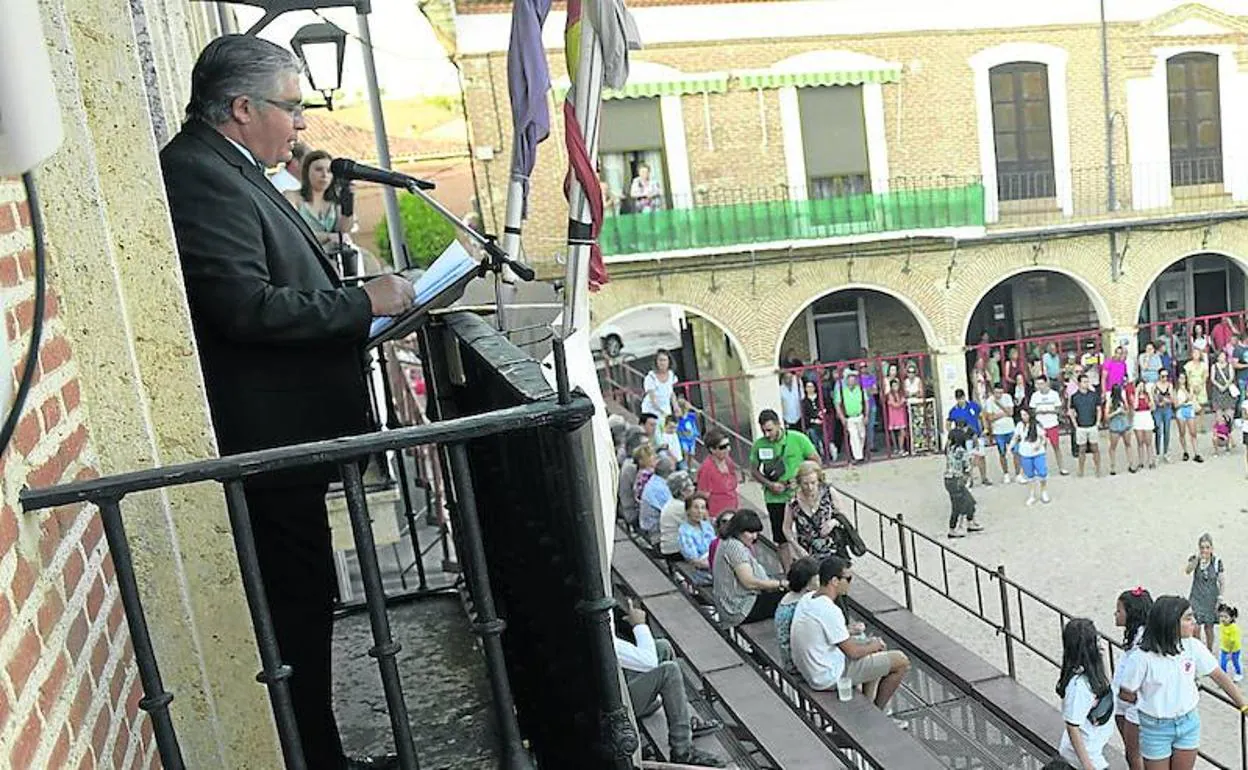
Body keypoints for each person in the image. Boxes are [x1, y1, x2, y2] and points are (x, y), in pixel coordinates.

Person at [160, 35, 417, 770]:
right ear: (242, 108)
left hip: (288, 445)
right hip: (270, 448)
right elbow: (245, 307)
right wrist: (360, 302)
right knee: (295, 618)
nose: (301, 125)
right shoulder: (198, 173)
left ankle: (321, 753)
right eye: (291, 106)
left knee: (307, 608)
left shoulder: (225, 168)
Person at [1117, 596, 1248, 769]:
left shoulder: (1192, 646)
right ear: (1170, 622)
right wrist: (1152, 701)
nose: (1194, 621)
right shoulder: (1141, 658)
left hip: (1188, 722)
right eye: (1187, 618)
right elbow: (1126, 692)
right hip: (1155, 727)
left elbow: (1219, 675)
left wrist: (1244, 706)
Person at [789, 556, 912, 711]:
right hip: (828, 676)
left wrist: (869, 645)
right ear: (834, 581)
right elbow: (853, 653)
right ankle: (879, 712)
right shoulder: (829, 610)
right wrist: (874, 645)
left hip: (812, 668)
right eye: (848, 578)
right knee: (901, 661)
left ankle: (869, 708)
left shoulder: (807, 599)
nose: (850, 583)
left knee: (872, 649)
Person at [613, 599, 725, 767]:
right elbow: (648, 661)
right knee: (669, 671)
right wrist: (639, 625)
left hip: (620, 682)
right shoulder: (594, 626)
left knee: (662, 646)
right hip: (617, 705)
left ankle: (684, 724)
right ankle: (682, 751)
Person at [749, 409, 819, 569]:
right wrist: (769, 484)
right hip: (775, 498)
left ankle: (812, 569)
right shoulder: (759, 445)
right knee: (781, 538)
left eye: (770, 430)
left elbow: (816, 461)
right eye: (763, 431)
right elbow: (753, 470)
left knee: (807, 534)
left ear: (779, 425)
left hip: (799, 495)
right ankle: (789, 574)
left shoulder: (798, 438)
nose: (767, 434)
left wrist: (800, 480)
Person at [1056, 618, 1114, 770]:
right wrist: (1088, 766)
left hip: (1092, 750)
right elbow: (1072, 726)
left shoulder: (1093, 675)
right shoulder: (1079, 686)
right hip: (1084, 757)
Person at [711, 510, 786, 627]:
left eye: (756, 532)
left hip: (736, 604)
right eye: (750, 532)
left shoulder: (728, 541)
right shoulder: (734, 547)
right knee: (790, 598)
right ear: (737, 529)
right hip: (740, 609)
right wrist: (781, 584)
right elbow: (749, 582)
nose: (754, 536)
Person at [781, 461, 857, 561]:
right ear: (799, 482)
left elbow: (843, 515)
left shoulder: (829, 492)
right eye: (805, 484)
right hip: (807, 553)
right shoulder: (793, 501)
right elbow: (786, 528)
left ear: (819, 480)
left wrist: (833, 522)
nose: (810, 487)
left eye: (813, 483)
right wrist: (796, 547)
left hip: (834, 551)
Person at [1113, 587, 1154, 770]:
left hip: (1132, 704)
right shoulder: (1136, 635)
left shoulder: (1143, 641)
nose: (1115, 614)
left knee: (1135, 753)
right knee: (1131, 753)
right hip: (1124, 702)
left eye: (1119, 610)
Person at [775, 557, 820, 673]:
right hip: (797, 663)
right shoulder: (802, 605)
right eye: (817, 579)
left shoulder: (789, 598)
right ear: (808, 584)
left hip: (789, 658)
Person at [1185, 533, 1224, 651]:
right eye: (1202, 547)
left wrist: (1220, 598)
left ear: (1212, 548)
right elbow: (1187, 571)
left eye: (1207, 547)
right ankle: (1199, 650)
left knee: (1209, 627)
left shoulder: (1217, 562)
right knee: (1195, 626)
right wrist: (1195, 561)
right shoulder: (1195, 559)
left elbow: (1222, 581)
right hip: (1196, 596)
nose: (1205, 550)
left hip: (1211, 597)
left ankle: (1209, 650)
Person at [944, 425, 982, 538]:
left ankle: (969, 523)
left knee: (968, 501)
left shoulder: (949, 449)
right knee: (959, 505)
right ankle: (953, 528)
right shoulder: (961, 451)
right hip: (957, 480)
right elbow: (967, 467)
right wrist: (973, 462)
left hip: (949, 479)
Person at [947, 389, 990, 486]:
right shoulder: (954, 411)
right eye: (958, 399)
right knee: (967, 459)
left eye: (961, 398)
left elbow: (982, 415)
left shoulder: (973, 406)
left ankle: (984, 477)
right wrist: (952, 433)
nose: (960, 400)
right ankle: (969, 480)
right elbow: (948, 422)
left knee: (981, 456)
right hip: (964, 438)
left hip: (977, 434)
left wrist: (985, 427)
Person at [1030, 376, 1070, 476]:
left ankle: (1062, 467)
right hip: (1040, 425)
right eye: (1037, 384)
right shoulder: (1035, 396)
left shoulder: (1054, 394)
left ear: (1046, 383)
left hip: (1052, 424)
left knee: (1056, 446)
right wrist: (1038, 412)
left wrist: (1048, 411)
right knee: (1041, 448)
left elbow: (1059, 410)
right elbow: (1032, 410)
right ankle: (1041, 468)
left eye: (1041, 384)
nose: (1039, 386)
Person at [1010, 408, 1050, 505]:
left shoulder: (1036, 425)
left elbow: (1043, 438)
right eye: (1022, 415)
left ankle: (1044, 491)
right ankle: (1032, 495)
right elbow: (1015, 437)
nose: (1024, 417)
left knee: (1042, 473)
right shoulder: (1020, 425)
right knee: (1030, 475)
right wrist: (1010, 446)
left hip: (1037, 453)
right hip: (1025, 453)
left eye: (1025, 415)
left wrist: (1039, 444)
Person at [696, 429, 739, 519]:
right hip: (716, 517)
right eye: (723, 447)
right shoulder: (706, 469)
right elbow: (702, 497)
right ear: (712, 449)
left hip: (732, 512)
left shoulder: (728, 461)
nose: (728, 449)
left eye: (728, 445)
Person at [1068, 375, 1103, 477]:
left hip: (1092, 425)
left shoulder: (1094, 395)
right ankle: (1080, 470)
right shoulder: (1075, 397)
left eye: (1087, 382)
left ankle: (1098, 469)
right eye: (1084, 382)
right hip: (1081, 426)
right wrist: (1075, 425)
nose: (1086, 384)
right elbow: (1071, 411)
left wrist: (1097, 423)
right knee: (1081, 449)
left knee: (1095, 448)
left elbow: (1098, 409)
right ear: (1079, 383)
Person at [984, 382, 1019, 483]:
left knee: (1016, 451)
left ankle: (1018, 473)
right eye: (996, 393)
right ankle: (1006, 474)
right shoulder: (989, 401)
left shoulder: (1007, 397)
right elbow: (990, 417)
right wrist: (1004, 413)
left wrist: (999, 408)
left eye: (1000, 393)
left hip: (1010, 429)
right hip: (998, 431)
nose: (998, 395)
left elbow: (1011, 413)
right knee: (1002, 452)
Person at [677, 494, 717, 581]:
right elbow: (695, 561)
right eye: (695, 507)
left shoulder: (707, 526)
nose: (699, 511)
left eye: (703, 508)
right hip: (702, 572)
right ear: (688, 510)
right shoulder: (684, 531)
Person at [834, 370, 871, 463]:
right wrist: (842, 417)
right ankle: (858, 457)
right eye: (850, 379)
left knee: (862, 436)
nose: (852, 381)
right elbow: (837, 404)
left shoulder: (861, 389)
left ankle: (859, 454)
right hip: (849, 417)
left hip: (860, 416)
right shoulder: (841, 390)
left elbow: (866, 402)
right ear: (846, 380)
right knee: (854, 436)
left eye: (853, 379)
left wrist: (866, 415)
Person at [658, 471, 695, 561]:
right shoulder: (680, 507)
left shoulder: (672, 502)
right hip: (674, 550)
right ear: (683, 491)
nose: (694, 488)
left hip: (668, 547)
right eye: (691, 486)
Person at [1172, 372, 1202, 463]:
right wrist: (1182, 402)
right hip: (1181, 410)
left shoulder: (1190, 387)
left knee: (1193, 432)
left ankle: (1196, 453)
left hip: (1189, 408)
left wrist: (1184, 390)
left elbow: (1190, 397)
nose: (1182, 380)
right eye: (1180, 378)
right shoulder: (1175, 390)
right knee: (1182, 432)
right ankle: (1185, 451)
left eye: (1184, 378)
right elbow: (1176, 404)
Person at [1105, 383, 1135, 475]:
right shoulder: (1109, 402)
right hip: (1115, 424)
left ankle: (1131, 464)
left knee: (1128, 444)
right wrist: (1116, 412)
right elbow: (1106, 416)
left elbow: (1128, 410)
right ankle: (1113, 466)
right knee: (1113, 446)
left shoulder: (1123, 400)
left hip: (1124, 423)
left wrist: (1125, 411)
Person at [641, 350, 679, 418]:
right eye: (660, 360)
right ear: (656, 362)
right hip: (651, 410)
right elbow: (653, 399)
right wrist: (662, 413)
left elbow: (671, 392)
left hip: (666, 408)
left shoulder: (671, 375)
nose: (662, 363)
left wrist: (675, 406)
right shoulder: (651, 377)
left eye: (664, 360)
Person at [1129, 379, 1156, 470]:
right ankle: (1141, 461)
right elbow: (1135, 406)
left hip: (1147, 416)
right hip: (1138, 417)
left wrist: (1150, 397)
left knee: (1148, 441)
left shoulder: (1147, 395)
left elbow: (1152, 407)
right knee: (1140, 441)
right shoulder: (1133, 395)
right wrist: (1136, 393)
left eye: (1143, 385)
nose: (1141, 387)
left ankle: (1151, 460)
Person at [1152, 369, 1175, 462]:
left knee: (1167, 430)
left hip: (1167, 409)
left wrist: (1166, 401)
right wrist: (1158, 402)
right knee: (1158, 431)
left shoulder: (1169, 385)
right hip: (1158, 410)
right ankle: (1157, 453)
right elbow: (1153, 398)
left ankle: (1166, 452)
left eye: (1166, 376)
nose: (1164, 378)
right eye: (1162, 376)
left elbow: (1172, 398)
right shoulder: (1155, 386)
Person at [801, 379, 827, 459]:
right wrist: (814, 420)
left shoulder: (820, 397)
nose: (809, 388)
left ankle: (827, 455)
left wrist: (823, 412)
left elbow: (828, 406)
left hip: (824, 422)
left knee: (825, 439)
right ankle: (819, 456)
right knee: (814, 438)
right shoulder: (804, 401)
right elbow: (805, 416)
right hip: (812, 425)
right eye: (808, 387)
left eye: (811, 386)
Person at [885, 378, 909, 456]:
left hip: (901, 416)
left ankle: (901, 448)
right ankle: (896, 448)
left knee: (902, 432)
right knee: (894, 433)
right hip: (894, 416)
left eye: (896, 385)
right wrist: (901, 402)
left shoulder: (901, 393)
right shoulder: (890, 395)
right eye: (894, 385)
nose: (895, 387)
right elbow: (895, 405)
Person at [1219, 602, 1243, 683]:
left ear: (1232, 618)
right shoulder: (1222, 625)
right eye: (1221, 616)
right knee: (1222, 663)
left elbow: (1234, 642)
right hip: (1224, 648)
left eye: (1226, 617)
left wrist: (1230, 653)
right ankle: (1224, 677)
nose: (1223, 619)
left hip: (1234, 649)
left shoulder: (1234, 629)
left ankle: (1239, 673)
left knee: (1235, 662)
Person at [676, 398, 701, 465]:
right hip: (683, 437)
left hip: (691, 437)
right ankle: (685, 466)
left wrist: (692, 407)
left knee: (692, 453)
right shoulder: (678, 417)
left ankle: (690, 466)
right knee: (685, 451)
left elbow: (697, 414)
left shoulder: (690, 415)